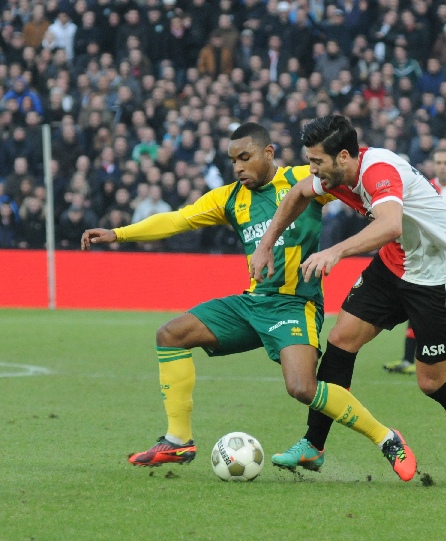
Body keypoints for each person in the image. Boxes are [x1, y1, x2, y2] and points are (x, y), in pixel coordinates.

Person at [80, 122, 416, 482]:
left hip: (294, 304)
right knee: (170, 334)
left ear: (268, 153)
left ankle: (386, 437)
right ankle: (178, 440)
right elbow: (178, 219)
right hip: (252, 303)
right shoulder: (228, 198)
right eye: (232, 160)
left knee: (302, 387)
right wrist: (119, 233)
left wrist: (394, 216)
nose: (238, 167)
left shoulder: (307, 177)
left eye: (245, 157)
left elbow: (354, 181)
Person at [249, 115, 446, 486]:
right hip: (395, 263)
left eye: (317, 161)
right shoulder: (332, 175)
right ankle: (313, 445)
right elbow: (297, 194)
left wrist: (334, 252)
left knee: (432, 382)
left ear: (344, 156)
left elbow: (390, 224)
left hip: (438, 274)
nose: (312, 169)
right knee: (340, 341)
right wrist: (265, 244)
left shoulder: (378, 170)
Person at [384, 148, 446, 376]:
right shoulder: (426, 186)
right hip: (429, 260)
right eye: (439, 162)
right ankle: (408, 360)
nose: (443, 166)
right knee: (415, 304)